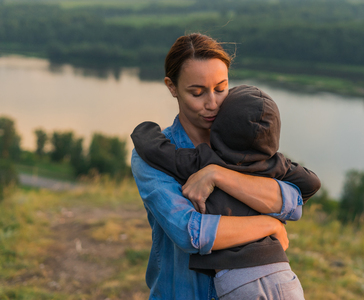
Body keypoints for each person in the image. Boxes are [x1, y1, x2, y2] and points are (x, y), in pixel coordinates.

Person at [130, 33, 318, 300]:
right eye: (197, 92)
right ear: (172, 87)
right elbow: (189, 232)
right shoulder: (152, 158)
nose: (213, 104)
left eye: (220, 88)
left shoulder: (243, 141)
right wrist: (269, 225)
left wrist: (217, 174)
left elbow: (292, 200)